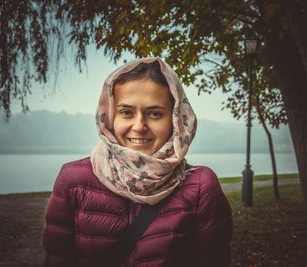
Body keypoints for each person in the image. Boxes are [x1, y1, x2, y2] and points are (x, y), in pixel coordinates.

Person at [42, 57, 233, 267]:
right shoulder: (74, 180)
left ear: (176, 120)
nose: (139, 126)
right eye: (126, 112)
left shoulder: (200, 187)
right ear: (109, 117)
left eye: (154, 113)